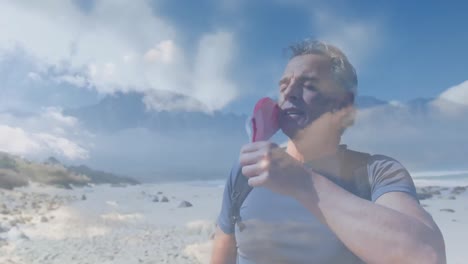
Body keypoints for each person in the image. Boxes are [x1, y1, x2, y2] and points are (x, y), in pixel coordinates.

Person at [210, 39, 446, 264]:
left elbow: (426, 254)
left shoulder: (377, 173)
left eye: (308, 85)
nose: (289, 93)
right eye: (284, 85)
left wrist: (303, 182)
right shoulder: (247, 170)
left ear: (342, 105)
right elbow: (223, 247)